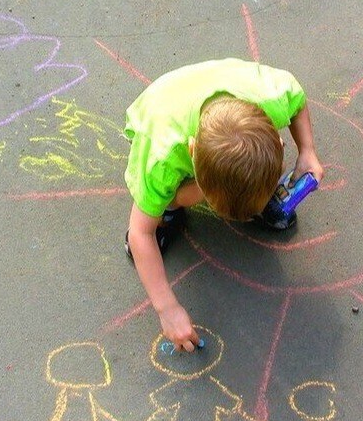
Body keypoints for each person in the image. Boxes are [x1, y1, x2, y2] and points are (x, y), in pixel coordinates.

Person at [123, 58, 323, 351]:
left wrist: (307, 151)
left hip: (228, 93)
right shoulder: (161, 155)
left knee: (238, 174)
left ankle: (242, 188)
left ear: (277, 141)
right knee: (169, 199)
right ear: (192, 152)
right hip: (161, 105)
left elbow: (299, 99)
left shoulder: (273, 99)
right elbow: (139, 233)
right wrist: (166, 307)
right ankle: (171, 211)